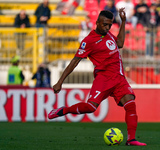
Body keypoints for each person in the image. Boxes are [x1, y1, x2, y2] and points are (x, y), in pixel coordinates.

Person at [48, 9, 146, 146]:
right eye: (105, 24)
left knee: (131, 105)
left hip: (118, 78)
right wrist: (60, 82)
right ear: (97, 22)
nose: (107, 27)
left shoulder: (108, 34)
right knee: (90, 107)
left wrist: (123, 22)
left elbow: (120, 44)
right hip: (103, 79)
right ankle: (64, 110)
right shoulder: (88, 41)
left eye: (110, 25)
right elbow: (75, 61)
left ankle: (131, 139)